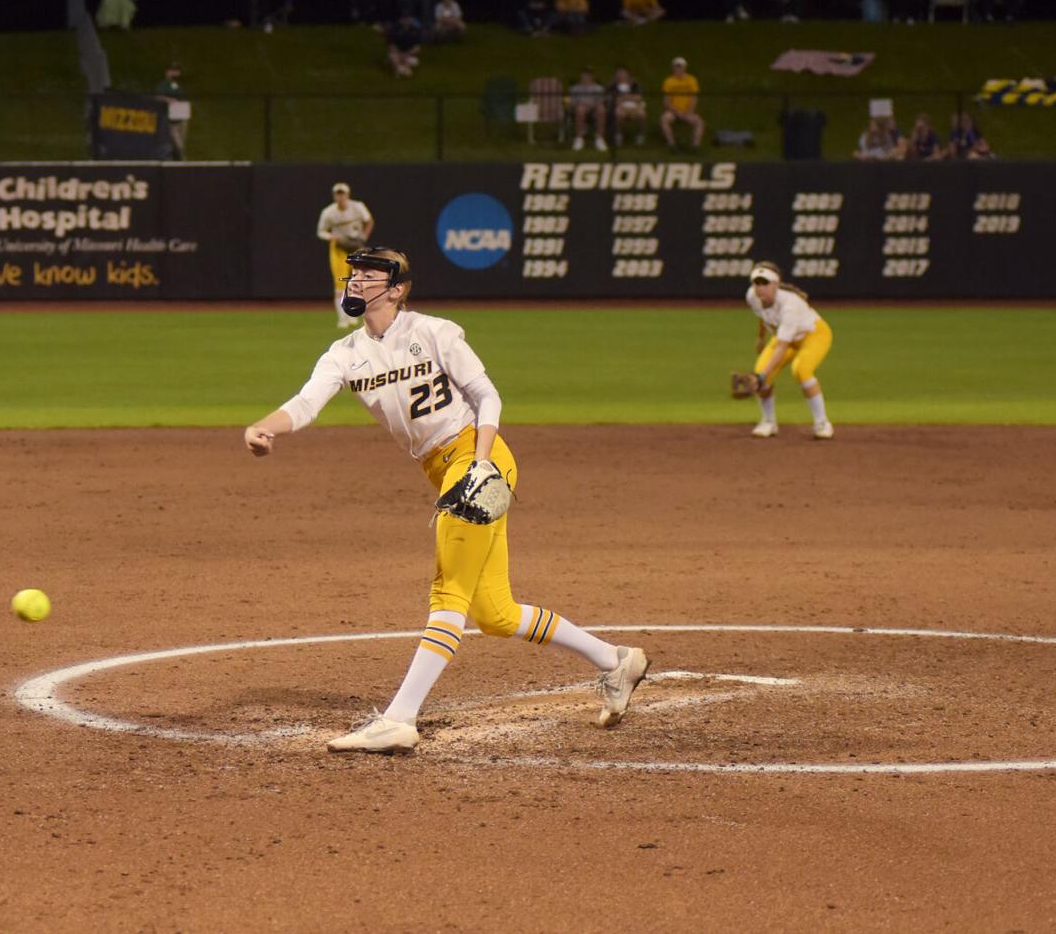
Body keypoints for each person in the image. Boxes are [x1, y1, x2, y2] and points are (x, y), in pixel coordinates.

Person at [242, 247, 652, 754]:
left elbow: (487, 396)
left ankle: (399, 718)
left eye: (370, 275)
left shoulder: (435, 332)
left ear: (396, 289)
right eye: (355, 274)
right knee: (495, 613)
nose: (356, 281)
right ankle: (617, 661)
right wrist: (265, 427)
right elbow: (304, 404)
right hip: (443, 470)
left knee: (448, 593)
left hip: (479, 459)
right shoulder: (344, 354)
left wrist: (479, 461)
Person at [743, 261, 834, 440]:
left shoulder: (790, 306)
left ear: (775, 285)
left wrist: (760, 378)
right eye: (756, 283)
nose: (760, 288)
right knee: (763, 370)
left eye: (765, 283)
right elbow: (763, 315)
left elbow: (782, 346)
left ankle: (822, 423)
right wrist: (760, 337)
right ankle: (768, 422)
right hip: (786, 337)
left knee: (801, 370)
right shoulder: (752, 296)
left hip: (813, 334)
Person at [315, 183, 375, 328]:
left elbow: (369, 221)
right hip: (339, 248)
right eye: (338, 194)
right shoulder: (328, 212)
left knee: (360, 281)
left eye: (343, 194)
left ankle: (354, 313)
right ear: (334, 195)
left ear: (347, 195)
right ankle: (342, 317)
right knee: (340, 284)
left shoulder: (357, 207)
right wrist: (332, 237)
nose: (340, 197)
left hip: (356, 246)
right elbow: (321, 231)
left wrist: (364, 237)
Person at [659, 57, 703, 151]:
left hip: (687, 111)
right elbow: (666, 102)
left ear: (685, 67)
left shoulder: (692, 80)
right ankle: (672, 145)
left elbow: (694, 99)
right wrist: (677, 112)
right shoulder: (668, 81)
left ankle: (695, 146)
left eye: (680, 67)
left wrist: (689, 112)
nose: (678, 69)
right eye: (676, 67)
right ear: (673, 68)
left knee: (699, 122)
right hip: (673, 111)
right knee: (664, 119)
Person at [568, 67, 608, 151]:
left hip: (594, 109)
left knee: (601, 109)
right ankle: (579, 138)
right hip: (579, 109)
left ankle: (600, 138)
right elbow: (571, 102)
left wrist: (591, 105)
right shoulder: (575, 88)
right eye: (584, 75)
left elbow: (601, 102)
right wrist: (581, 105)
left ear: (592, 77)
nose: (586, 77)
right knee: (580, 109)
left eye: (588, 75)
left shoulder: (598, 88)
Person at [153, 63, 188, 160]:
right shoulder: (164, 84)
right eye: (172, 70)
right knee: (176, 140)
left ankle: (178, 158)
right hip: (171, 116)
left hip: (182, 115)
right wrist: (168, 99)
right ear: (167, 72)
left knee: (181, 139)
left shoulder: (178, 84)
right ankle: (181, 159)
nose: (175, 73)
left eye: (176, 71)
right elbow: (157, 97)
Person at [607, 65, 647, 146]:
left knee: (642, 114)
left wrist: (624, 97)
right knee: (619, 114)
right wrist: (629, 97)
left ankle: (640, 135)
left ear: (627, 74)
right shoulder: (613, 86)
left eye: (623, 73)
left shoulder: (634, 84)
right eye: (619, 73)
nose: (621, 75)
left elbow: (638, 98)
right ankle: (618, 135)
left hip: (635, 107)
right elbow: (614, 100)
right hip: (620, 108)